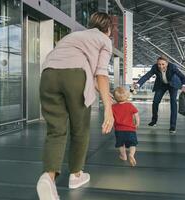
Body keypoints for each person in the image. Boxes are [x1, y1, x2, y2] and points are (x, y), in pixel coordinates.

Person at [36, 12, 114, 200]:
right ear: (109, 29)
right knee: (80, 129)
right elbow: (100, 74)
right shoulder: (104, 39)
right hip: (76, 76)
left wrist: (102, 91)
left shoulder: (74, 35)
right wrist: (109, 109)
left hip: (48, 74)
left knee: (55, 130)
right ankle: (76, 174)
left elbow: (74, 68)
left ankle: (48, 177)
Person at [133, 55, 185, 134]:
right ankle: (154, 121)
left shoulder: (173, 67)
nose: (161, 66)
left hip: (173, 84)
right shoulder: (155, 67)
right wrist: (138, 84)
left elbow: (183, 77)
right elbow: (147, 76)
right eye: (159, 64)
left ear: (167, 64)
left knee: (173, 103)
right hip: (161, 85)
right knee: (155, 102)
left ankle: (173, 126)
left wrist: (184, 85)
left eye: (163, 64)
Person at [112, 86, 140, 167]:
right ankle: (131, 154)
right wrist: (137, 123)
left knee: (120, 144)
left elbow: (111, 117)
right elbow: (136, 115)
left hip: (119, 130)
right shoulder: (130, 105)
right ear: (127, 96)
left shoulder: (113, 107)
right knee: (132, 144)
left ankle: (123, 155)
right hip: (131, 129)